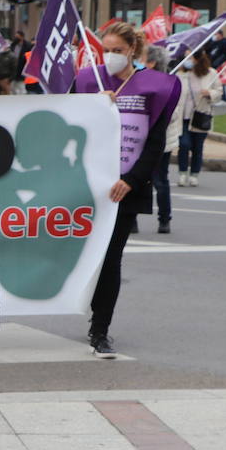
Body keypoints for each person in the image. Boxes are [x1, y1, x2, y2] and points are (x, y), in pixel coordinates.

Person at [73, 21, 180, 359]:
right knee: (84, 256)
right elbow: (69, 126)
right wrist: (95, 107)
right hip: (87, 187)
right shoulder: (90, 83)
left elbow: (155, 142)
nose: (111, 57)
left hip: (125, 189)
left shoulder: (155, 87)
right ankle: (84, 304)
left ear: (133, 50)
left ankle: (100, 329)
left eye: (117, 51)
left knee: (110, 259)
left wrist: (132, 179)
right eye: (106, 50)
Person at [144, 45, 179, 234]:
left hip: (163, 141)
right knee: (137, 180)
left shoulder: (169, 83)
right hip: (140, 140)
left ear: (153, 62)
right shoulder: (141, 80)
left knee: (160, 181)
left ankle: (164, 219)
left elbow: (174, 114)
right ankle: (131, 219)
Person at [175, 48, 221, 188]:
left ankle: (194, 174)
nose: (188, 60)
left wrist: (210, 93)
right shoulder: (182, 73)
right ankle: (182, 173)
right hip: (183, 116)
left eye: (190, 57)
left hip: (200, 115)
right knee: (184, 145)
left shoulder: (211, 73)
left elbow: (219, 92)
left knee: (197, 147)